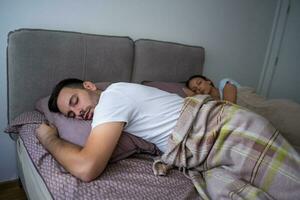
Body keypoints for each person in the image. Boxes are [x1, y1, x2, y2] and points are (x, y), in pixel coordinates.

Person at [36, 78, 184, 182]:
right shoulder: (119, 94)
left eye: (75, 101)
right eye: (71, 115)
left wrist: (48, 139)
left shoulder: (111, 98)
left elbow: (86, 168)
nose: (78, 112)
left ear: (89, 86)